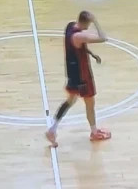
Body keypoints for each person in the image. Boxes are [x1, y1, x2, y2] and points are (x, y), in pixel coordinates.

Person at [45, 10, 110, 147]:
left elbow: (78, 47)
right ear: (86, 22)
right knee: (90, 102)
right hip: (81, 75)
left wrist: (91, 54)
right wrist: (95, 20)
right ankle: (94, 132)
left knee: (70, 101)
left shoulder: (70, 26)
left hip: (72, 71)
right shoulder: (79, 36)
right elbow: (103, 38)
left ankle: (52, 129)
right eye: (89, 24)